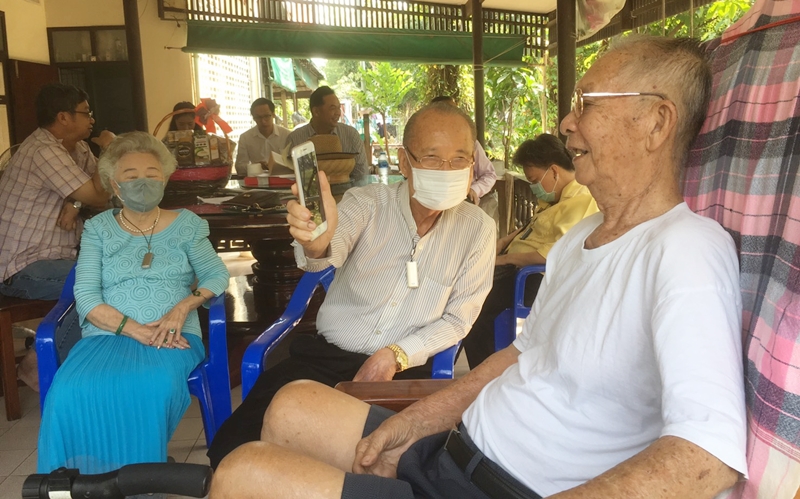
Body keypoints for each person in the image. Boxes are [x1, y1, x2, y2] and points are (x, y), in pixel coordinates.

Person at [210, 36, 748, 499]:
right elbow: (520, 354)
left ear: (656, 122)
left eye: (586, 103)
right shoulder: (580, 239)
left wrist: (401, 364)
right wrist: (414, 422)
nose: (567, 122)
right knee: (291, 404)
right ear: (405, 162)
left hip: (498, 485)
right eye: (431, 159)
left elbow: (707, 456)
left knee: (243, 474)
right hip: (455, 451)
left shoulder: (685, 250)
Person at [207, 102, 495, 469]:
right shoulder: (367, 203)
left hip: (404, 372)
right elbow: (327, 247)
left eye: (460, 159)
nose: (448, 170)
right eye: (432, 158)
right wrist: (316, 241)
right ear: (405, 162)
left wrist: (396, 354)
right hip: (324, 361)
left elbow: (458, 319)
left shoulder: (478, 229)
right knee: (237, 452)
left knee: (378, 465)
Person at [37, 132, 230, 474]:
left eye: (152, 174)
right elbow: (86, 295)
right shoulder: (98, 228)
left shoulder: (187, 225)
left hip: (173, 336)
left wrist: (183, 307)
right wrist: (136, 330)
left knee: (149, 387)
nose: (143, 182)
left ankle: (140, 481)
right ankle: (77, 483)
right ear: (114, 184)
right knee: (68, 390)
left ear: (165, 179)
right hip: (106, 335)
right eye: (131, 175)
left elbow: (216, 275)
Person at [0, 83, 113, 390]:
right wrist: (109, 150)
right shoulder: (44, 150)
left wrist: (75, 203)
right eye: (85, 112)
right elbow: (98, 194)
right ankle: (39, 363)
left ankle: (76, 360)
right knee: (102, 282)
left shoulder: (78, 148)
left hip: (57, 258)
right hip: (22, 267)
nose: (92, 119)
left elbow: (103, 191)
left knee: (108, 275)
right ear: (63, 117)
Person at [461, 133, 598, 368]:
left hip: (533, 278)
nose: (533, 188)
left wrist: (503, 259)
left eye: (534, 180)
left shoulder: (582, 202)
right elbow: (533, 227)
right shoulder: (558, 197)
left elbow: (551, 254)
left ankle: (487, 373)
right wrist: (504, 242)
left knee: (472, 309)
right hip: (515, 269)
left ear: (553, 171)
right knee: (463, 287)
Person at [286, 86, 368, 184]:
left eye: (338, 108)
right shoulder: (295, 139)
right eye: (332, 108)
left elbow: (362, 176)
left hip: (348, 192)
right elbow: (291, 178)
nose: (338, 113)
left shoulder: (351, 135)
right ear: (316, 112)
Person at [430, 96, 497, 207]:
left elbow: (489, 174)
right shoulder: (425, 145)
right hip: (433, 204)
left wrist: (474, 189)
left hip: (465, 203)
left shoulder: (471, 143)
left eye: (455, 111)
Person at [234, 98, 291, 176]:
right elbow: (239, 168)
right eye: (258, 117)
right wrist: (256, 166)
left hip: (282, 179)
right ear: (253, 118)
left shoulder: (287, 135)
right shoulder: (245, 138)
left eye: (266, 116)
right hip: (256, 181)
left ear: (273, 115)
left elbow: (295, 164)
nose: (263, 121)